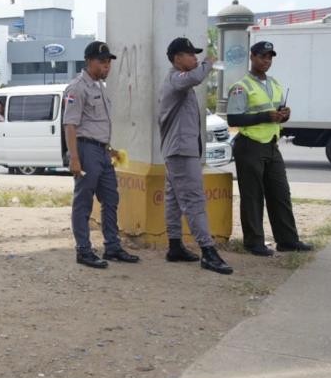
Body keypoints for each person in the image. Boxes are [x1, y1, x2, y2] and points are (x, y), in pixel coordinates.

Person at [226, 41, 313, 256]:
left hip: (272, 146)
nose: (266, 61)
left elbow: (277, 110)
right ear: (252, 57)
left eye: (270, 57)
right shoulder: (241, 86)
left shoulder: (274, 84)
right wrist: (266, 116)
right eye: (262, 57)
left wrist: (285, 114)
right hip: (250, 146)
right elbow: (234, 118)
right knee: (253, 197)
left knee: (280, 194)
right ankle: (253, 242)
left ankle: (287, 241)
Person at [157, 38, 233, 275]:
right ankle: (208, 251)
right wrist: (210, 63)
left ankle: (175, 245)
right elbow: (195, 77)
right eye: (191, 55)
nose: (195, 58)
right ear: (177, 58)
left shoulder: (181, 83)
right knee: (194, 200)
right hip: (181, 151)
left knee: (173, 199)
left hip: (178, 150)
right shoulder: (176, 79)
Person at [63, 41, 140, 269]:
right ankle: (84, 251)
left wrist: (110, 150)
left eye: (108, 62)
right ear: (89, 61)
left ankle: (112, 246)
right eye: (102, 62)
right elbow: (70, 125)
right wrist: (74, 158)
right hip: (85, 151)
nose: (107, 66)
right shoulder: (77, 88)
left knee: (111, 199)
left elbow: (96, 125)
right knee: (83, 202)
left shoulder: (99, 88)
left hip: (102, 152)